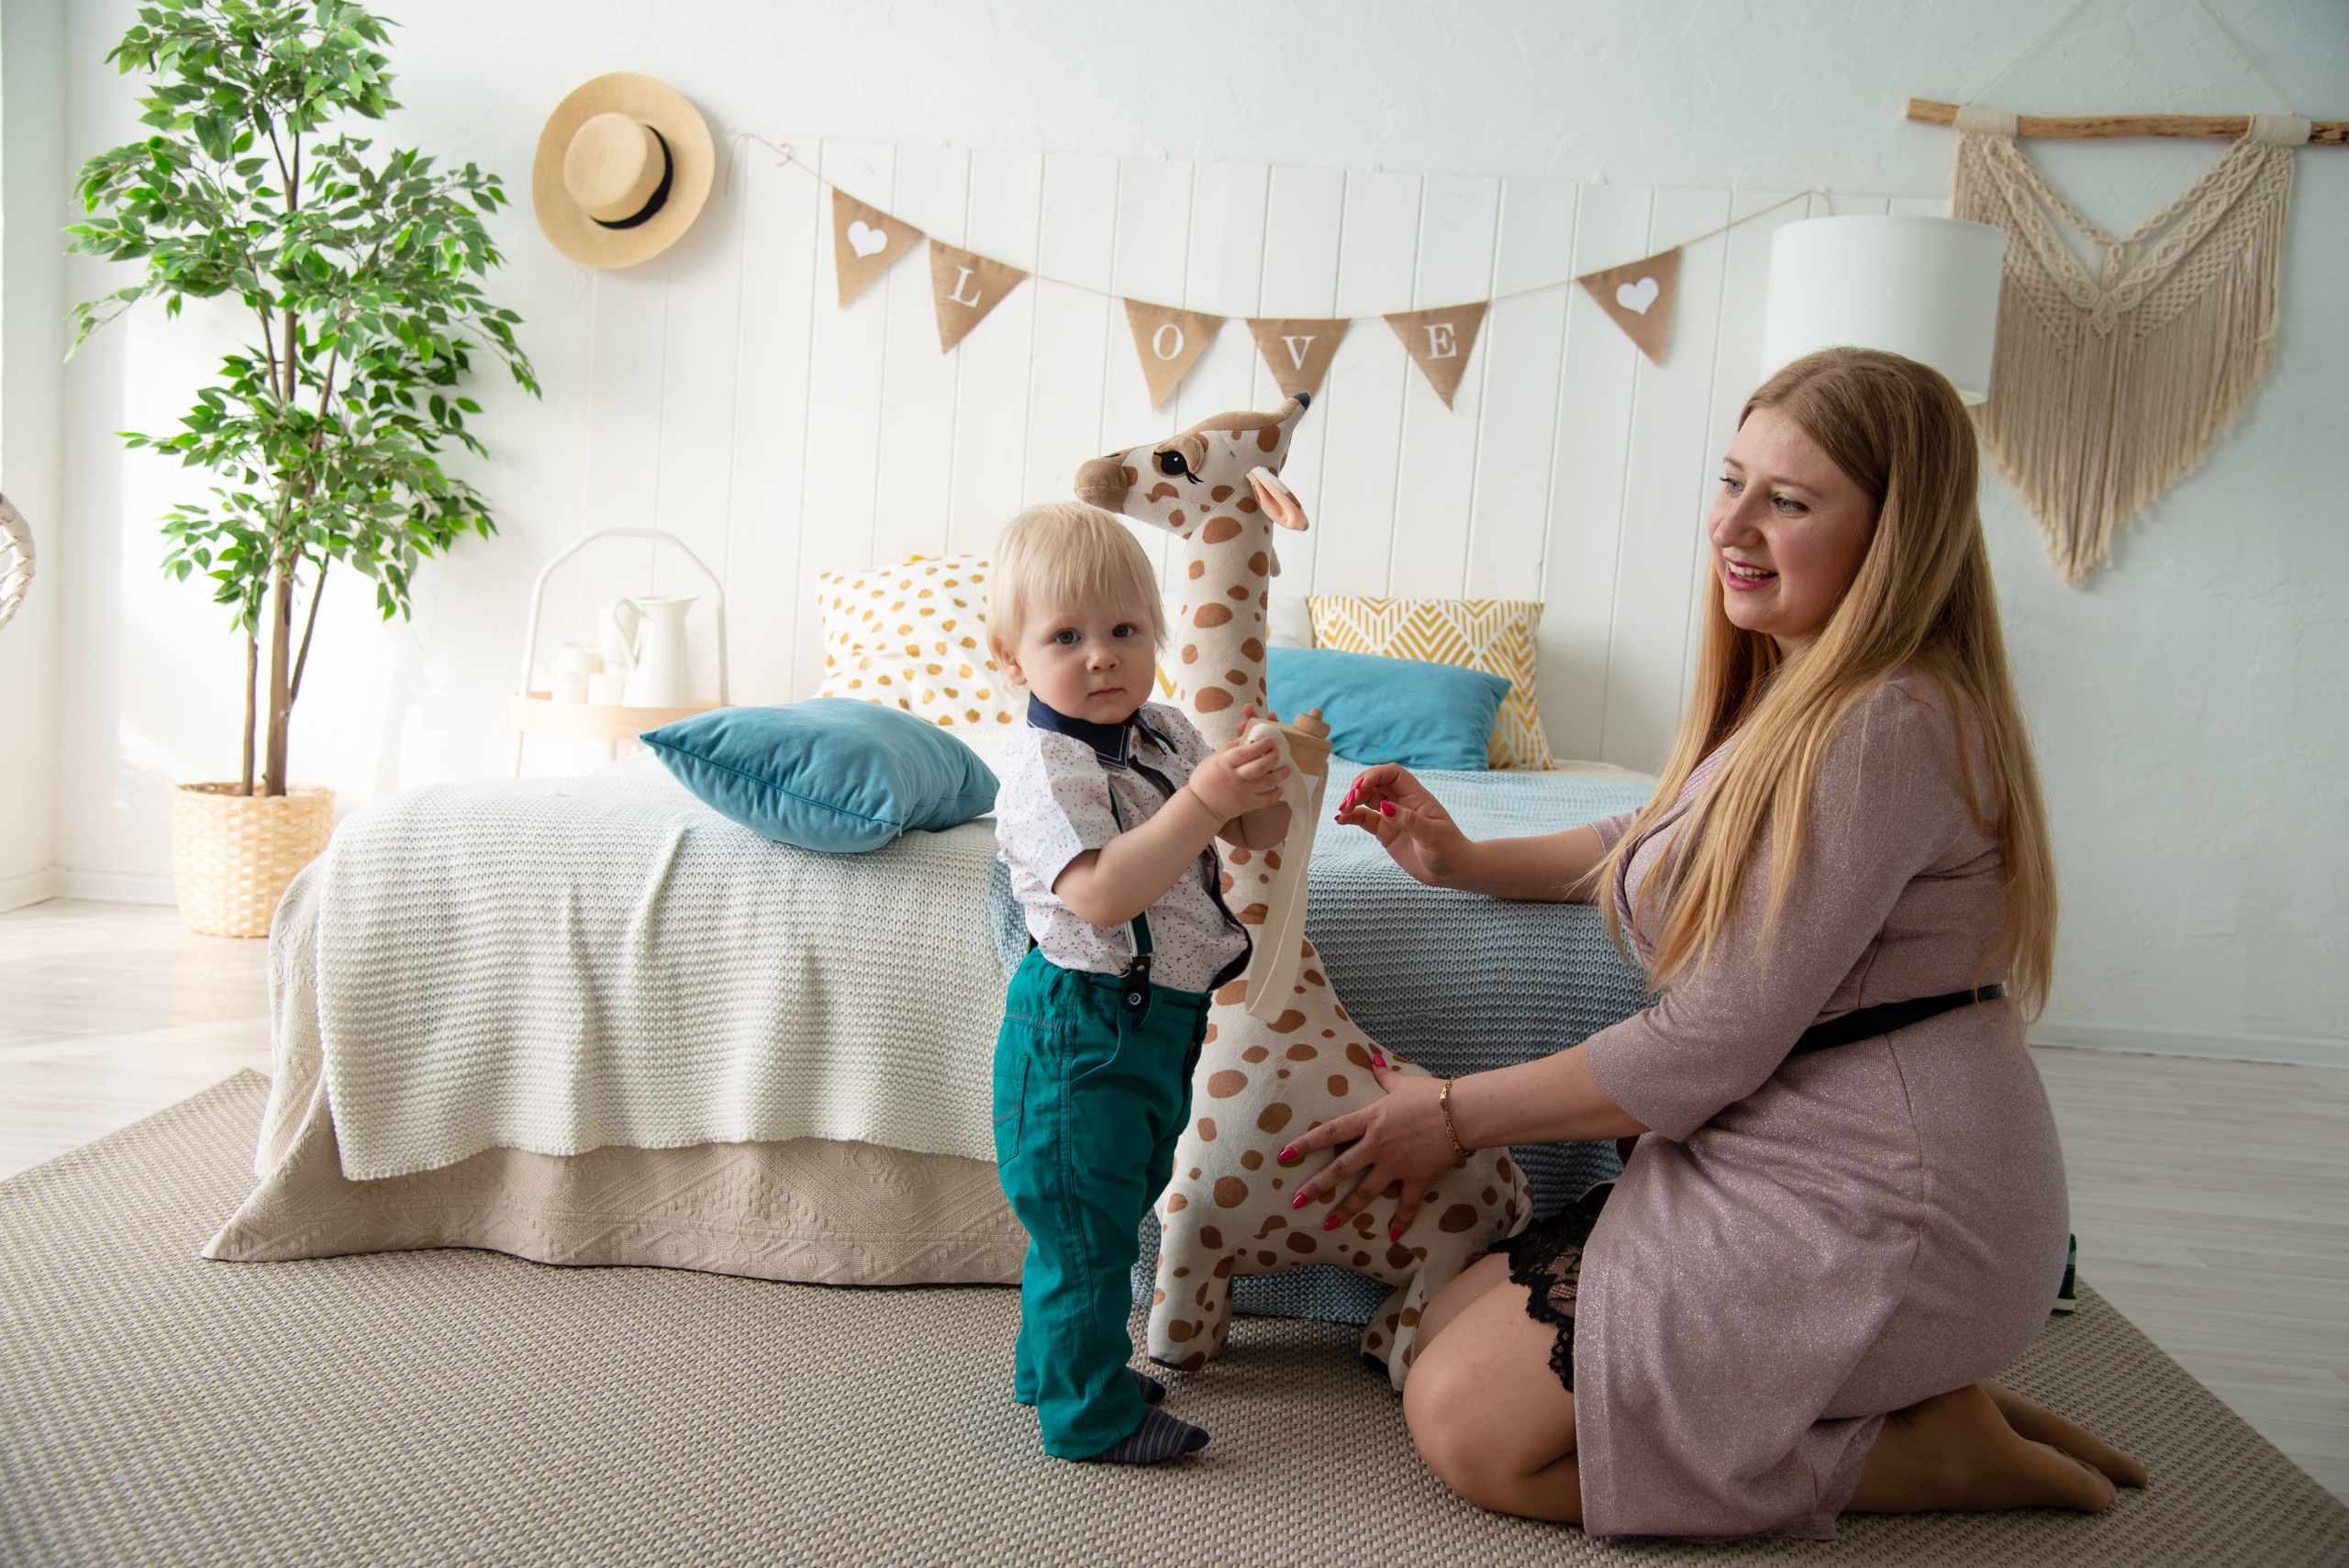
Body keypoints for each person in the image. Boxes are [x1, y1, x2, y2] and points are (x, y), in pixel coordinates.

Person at [1283, 349, 2148, 1538]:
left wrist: (1451, 1114)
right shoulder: (1803, 688)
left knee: (1471, 1427)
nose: (1732, 525)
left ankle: (1931, 1453)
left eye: (1787, 501)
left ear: (1897, 534)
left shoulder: (1883, 722)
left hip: (1890, 1199)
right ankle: (1877, 1396)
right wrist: (1467, 859)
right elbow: (1660, 832)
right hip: (1786, 1149)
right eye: (1733, 481)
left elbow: (1703, 1047)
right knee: (1446, 1321)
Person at [986, 498, 1294, 1463]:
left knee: (1112, 1200)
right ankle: (1087, 1415)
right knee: (1086, 1231)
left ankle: (1050, 1368)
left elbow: (1253, 839)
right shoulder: (1043, 767)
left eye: (1124, 630)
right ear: (1012, 658)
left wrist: (1255, 784)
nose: (1100, 656)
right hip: (1077, 1030)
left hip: (1159, 1023)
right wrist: (1205, 799)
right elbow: (1106, 889)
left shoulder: (1162, 731)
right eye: (1065, 635)